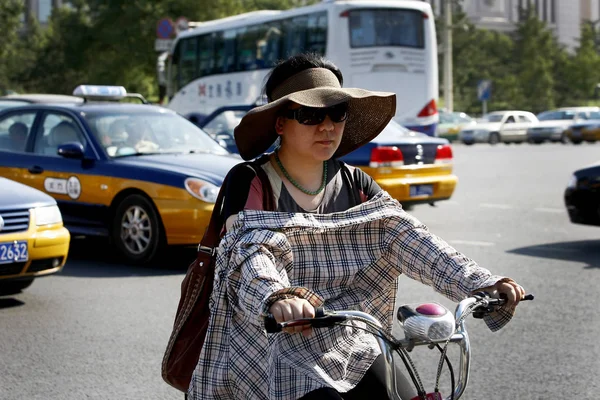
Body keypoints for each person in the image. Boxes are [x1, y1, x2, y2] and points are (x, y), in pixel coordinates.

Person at [187, 53, 526, 400]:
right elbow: (250, 252)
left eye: (337, 113)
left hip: (350, 340)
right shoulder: (251, 181)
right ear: (280, 123)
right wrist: (278, 297)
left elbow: (408, 237)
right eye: (310, 115)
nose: (327, 126)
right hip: (270, 344)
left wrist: (480, 283)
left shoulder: (357, 184)